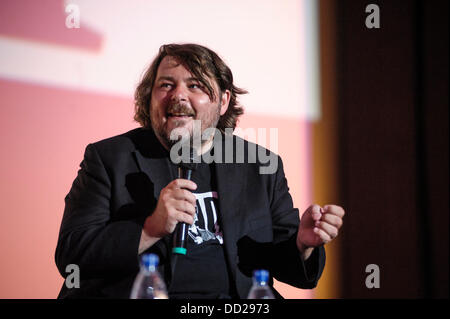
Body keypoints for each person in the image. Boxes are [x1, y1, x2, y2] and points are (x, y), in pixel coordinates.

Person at [55, 43, 345, 299]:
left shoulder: (259, 164)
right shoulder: (110, 158)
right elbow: (72, 256)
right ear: (150, 99)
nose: (178, 96)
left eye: (195, 86)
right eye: (166, 85)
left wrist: (302, 244)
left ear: (223, 102)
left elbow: (292, 271)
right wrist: (149, 228)